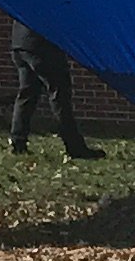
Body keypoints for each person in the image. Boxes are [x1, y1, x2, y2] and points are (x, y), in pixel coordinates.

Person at [7, 18, 101, 158]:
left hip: (20, 43)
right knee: (59, 94)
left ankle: (17, 142)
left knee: (27, 94)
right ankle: (74, 147)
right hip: (42, 45)